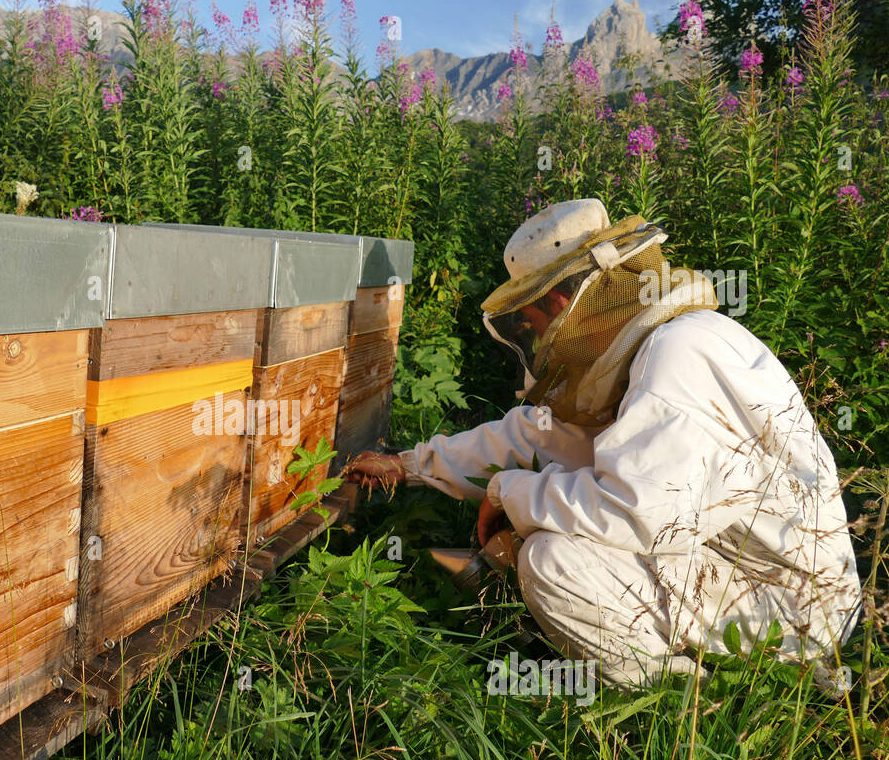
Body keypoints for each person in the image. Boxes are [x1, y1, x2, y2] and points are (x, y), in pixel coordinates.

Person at [347, 198, 862, 691]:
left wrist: (510, 493)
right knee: (541, 519)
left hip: (791, 609)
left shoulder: (678, 357)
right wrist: (407, 465)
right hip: (742, 572)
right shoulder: (661, 347)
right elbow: (536, 432)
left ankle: (687, 700)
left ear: (559, 302)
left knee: (552, 561)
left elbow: (637, 513)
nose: (536, 337)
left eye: (532, 322)